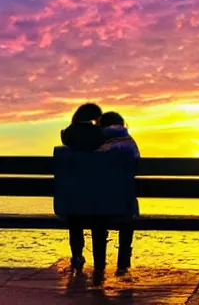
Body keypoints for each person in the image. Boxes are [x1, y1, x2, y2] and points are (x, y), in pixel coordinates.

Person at [60, 103, 104, 271]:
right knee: (99, 220)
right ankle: (99, 260)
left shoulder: (69, 133)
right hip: (97, 197)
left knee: (75, 221)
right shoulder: (100, 135)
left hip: (74, 198)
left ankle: (77, 255)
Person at [97, 111, 140, 274]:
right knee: (127, 217)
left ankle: (100, 263)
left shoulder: (99, 143)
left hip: (101, 203)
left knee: (99, 220)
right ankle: (123, 263)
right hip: (125, 202)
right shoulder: (130, 142)